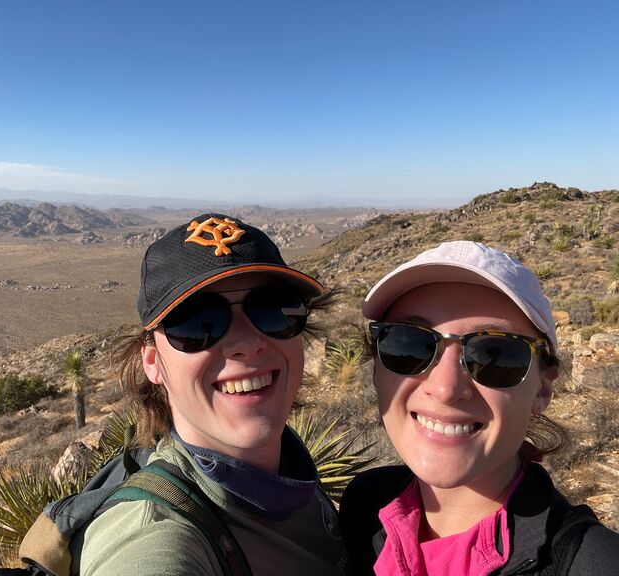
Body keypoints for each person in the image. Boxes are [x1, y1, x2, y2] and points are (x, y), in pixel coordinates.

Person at [80, 214, 348, 575]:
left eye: (271, 309)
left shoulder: (289, 469)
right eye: (197, 325)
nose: (248, 344)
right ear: (152, 362)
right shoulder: (155, 534)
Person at [340, 241, 619, 575]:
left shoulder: (595, 564)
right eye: (409, 344)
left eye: (494, 354)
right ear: (375, 369)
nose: (445, 389)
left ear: (542, 389)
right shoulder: (364, 506)